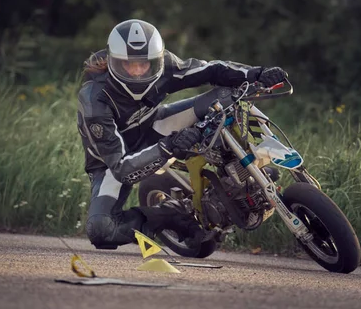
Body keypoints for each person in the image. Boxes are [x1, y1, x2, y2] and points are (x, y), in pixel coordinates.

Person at [77, 19, 288, 250]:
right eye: (128, 65)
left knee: (226, 96)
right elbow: (120, 167)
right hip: (111, 164)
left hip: (154, 127)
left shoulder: (166, 65)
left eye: (144, 64)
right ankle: (171, 214)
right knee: (101, 230)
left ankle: (245, 166)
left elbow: (211, 69)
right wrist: (168, 146)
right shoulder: (94, 98)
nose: (137, 72)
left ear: (156, 60)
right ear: (112, 62)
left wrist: (256, 73)